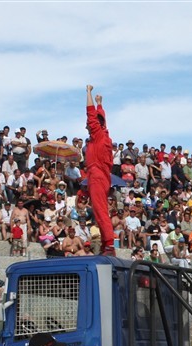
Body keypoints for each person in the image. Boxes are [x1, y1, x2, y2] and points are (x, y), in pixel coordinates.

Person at [85, 85, 115, 255]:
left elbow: (91, 115)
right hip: (101, 176)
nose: (87, 126)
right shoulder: (104, 134)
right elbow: (99, 118)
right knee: (100, 210)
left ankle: (109, 244)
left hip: (96, 176)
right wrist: (100, 104)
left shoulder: (97, 134)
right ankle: (106, 244)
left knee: (100, 211)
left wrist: (88, 92)